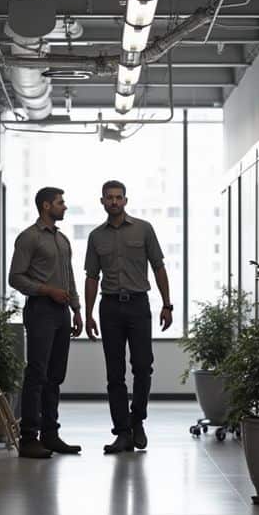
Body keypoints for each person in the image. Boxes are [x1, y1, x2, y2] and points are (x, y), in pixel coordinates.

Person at [84, 180, 173, 454]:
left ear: (125, 200)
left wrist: (167, 304)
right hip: (109, 307)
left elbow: (158, 267)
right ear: (102, 201)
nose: (114, 202)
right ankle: (122, 432)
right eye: (109, 198)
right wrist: (88, 315)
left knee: (143, 366)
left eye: (118, 197)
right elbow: (91, 277)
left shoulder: (144, 229)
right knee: (115, 373)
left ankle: (137, 420)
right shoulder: (96, 237)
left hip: (138, 305)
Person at [8, 187, 83, 459]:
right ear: (45, 206)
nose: (64, 207)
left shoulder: (62, 240)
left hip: (62, 312)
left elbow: (70, 276)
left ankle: (50, 435)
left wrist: (76, 310)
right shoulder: (29, 238)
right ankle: (29, 438)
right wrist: (47, 290)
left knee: (55, 375)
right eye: (60, 203)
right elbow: (15, 277)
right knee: (37, 373)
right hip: (40, 310)